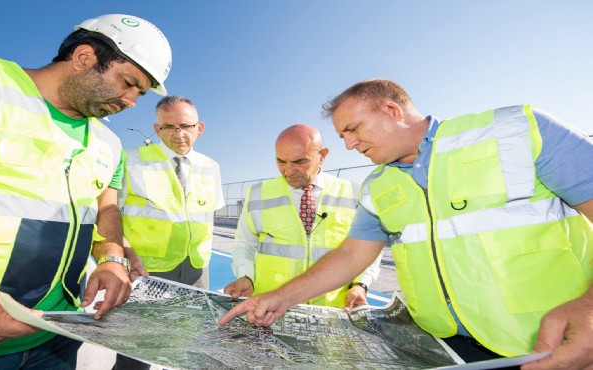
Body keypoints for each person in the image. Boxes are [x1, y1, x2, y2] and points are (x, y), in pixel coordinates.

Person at [219, 79, 593, 370]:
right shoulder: (378, 186)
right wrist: (278, 297)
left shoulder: (516, 132)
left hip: (549, 344)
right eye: (342, 136)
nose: (349, 145)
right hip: (439, 348)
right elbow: (351, 254)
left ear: (392, 109)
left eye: (354, 128)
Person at [0, 13, 173, 369]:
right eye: (128, 83)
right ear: (84, 58)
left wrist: (111, 258)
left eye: (139, 92)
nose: (131, 101)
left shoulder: (109, 143)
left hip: (56, 336)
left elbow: (105, 210)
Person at [115, 95, 224, 370]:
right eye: (169, 127)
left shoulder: (211, 168)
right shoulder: (131, 161)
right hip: (146, 271)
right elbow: (107, 214)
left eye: (185, 126)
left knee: (190, 342)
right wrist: (123, 253)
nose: (178, 134)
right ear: (156, 130)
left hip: (196, 270)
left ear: (199, 128)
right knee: (137, 349)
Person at [223, 124, 381, 309]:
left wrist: (361, 284)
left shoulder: (355, 193)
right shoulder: (257, 194)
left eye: (299, 162)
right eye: (281, 161)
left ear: (323, 156)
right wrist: (245, 275)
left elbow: (369, 247)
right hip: (268, 308)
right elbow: (245, 243)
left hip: (332, 311)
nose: (288, 171)